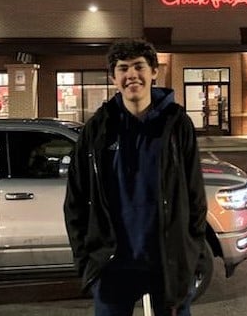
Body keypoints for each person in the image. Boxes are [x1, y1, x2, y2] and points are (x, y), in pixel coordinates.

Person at [64, 39, 207, 316]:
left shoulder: (177, 124)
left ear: (154, 71)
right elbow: (75, 201)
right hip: (113, 265)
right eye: (123, 68)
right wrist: (87, 264)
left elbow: (195, 197)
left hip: (166, 262)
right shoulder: (98, 129)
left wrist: (191, 256)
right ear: (113, 77)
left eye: (139, 66)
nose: (132, 74)